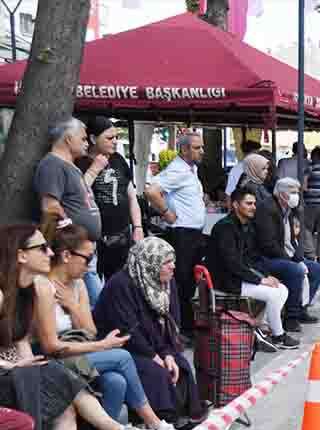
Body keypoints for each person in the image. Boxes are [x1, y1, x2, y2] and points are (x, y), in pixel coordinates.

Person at [0, 225, 158, 430]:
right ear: (20, 255)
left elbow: (83, 331)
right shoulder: (8, 293)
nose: (50, 253)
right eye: (42, 248)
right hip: (5, 374)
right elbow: (47, 346)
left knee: (69, 404)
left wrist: (26, 367)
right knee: (112, 361)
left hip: (24, 372)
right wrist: (16, 367)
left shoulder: (31, 292)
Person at [34, 222, 181, 430]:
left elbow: (90, 330)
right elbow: (51, 346)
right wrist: (101, 346)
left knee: (116, 381)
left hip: (79, 350)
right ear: (66, 255)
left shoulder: (78, 284)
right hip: (55, 356)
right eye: (87, 257)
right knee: (122, 357)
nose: (90, 264)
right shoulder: (44, 286)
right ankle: (154, 424)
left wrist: (72, 305)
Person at [93, 238, 210, 428]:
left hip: (154, 343)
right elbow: (128, 328)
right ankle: (159, 421)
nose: (173, 266)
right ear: (150, 263)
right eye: (166, 262)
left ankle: (184, 415)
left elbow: (173, 320)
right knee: (155, 371)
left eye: (173, 261)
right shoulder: (120, 284)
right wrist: (155, 355)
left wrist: (167, 353)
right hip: (123, 345)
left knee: (179, 363)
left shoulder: (166, 282)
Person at [206, 187, 298, 350]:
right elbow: (232, 263)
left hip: (240, 277)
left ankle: (262, 328)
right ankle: (278, 335)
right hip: (227, 281)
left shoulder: (245, 226)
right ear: (235, 205)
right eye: (248, 203)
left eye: (254, 203)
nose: (253, 207)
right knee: (274, 294)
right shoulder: (225, 228)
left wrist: (266, 276)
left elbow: (251, 258)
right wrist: (260, 280)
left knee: (281, 289)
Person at [144, 130, 206, 339]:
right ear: (184, 149)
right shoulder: (177, 170)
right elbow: (151, 191)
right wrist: (166, 212)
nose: (201, 152)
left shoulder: (190, 169)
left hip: (193, 233)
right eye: (197, 148)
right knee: (182, 283)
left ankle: (185, 326)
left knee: (188, 282)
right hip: (183, 233)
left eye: (201, 147)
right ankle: (180, 329)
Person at [34, 117, 103, 304]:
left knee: (87, 300)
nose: (87, 143)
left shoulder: (69, 166)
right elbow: (50, 207)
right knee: (93, 301)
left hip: (83, 248)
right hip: (72, 250)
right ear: (68, 139)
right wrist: (72, 232)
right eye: (82, 138)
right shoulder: (52, 165)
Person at [75, 116, 143, 281]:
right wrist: (94, 169)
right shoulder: (80, 162)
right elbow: (77, 194)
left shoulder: (118, 159)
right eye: (109, 138)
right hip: (95, 238)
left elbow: (132, 197)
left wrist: (138, 227)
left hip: (122, 235)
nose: (114, 142)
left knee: (121, 280)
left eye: (116, 138)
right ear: (93, 138)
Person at [255, 177, 320, 328]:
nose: (296, 196)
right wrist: (291, 260)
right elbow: (268, 244)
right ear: (281, 194)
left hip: (286, 254)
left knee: (316, 269)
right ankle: (291, 318)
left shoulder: (290, 210)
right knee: (295, 270)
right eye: (292, 192)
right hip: (267, 258)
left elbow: (292, 238)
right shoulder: (267, 209)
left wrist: (297, 256)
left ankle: (301, 309)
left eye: (297, 192)